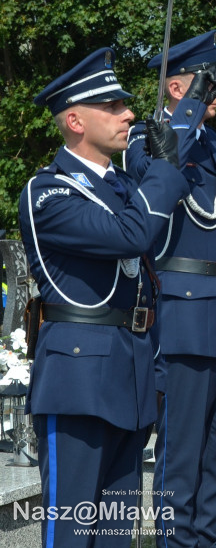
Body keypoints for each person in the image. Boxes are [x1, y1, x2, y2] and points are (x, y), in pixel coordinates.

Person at [19, 48, 188, 547]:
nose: (129, 114)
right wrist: (163, 170)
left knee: (115, 532)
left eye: (125, 105)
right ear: (75, 120)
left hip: (129, 373)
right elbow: (131, 237)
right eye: (113, 106)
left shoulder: (123, 187)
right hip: (78, 378)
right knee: (72, 530)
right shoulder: (48, 191)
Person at [124, 30, 216, 548]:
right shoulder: (148, 137)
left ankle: (205, 539)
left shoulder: (213, 142)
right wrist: (188, 112)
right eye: (208, 82)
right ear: (179, 89)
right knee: (182, 453)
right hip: (185, 314)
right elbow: (153, 181)